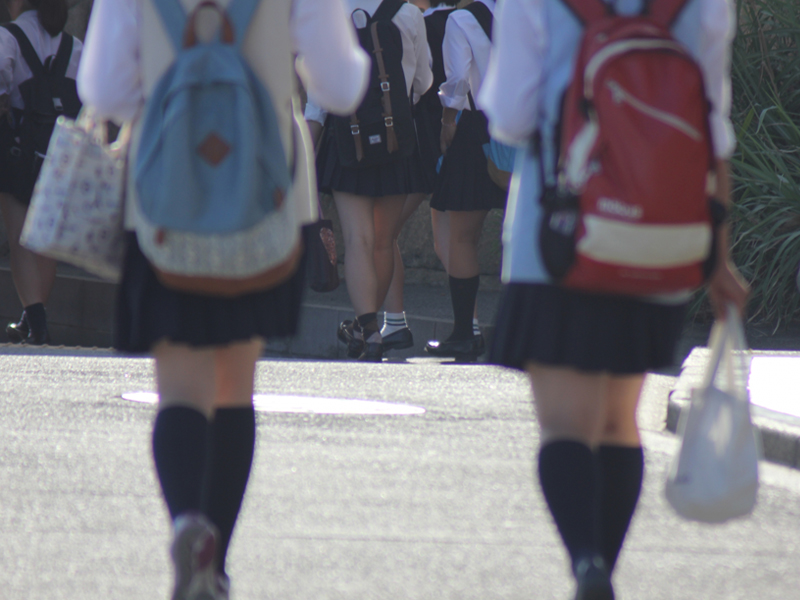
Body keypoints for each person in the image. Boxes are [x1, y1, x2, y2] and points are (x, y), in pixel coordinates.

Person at [77, 0, 369, 598]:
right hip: (264, 198)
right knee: (235, 386)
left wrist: (169, 106)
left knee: (180, 388)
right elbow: (340, 86)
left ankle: (187, 521)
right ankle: (218, 562)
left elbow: (104, 89)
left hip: (163, 199)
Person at [479, 0, 749, 598]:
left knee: (565, 426)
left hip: (558, 236)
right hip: (661, 237)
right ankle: (603, 567)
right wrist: (719, 258)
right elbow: (714, 129)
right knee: (617, 421)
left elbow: (511, 117)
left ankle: (586, 563)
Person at [306, 0, 433, 362]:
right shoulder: (409, 14)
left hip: (349, 140)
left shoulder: (332, 12)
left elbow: (318, 96)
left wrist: (307, 150)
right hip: (397, 143)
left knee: (359, 239)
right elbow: (424, 82)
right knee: (383, 240)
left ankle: (369, 330)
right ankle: (369, 329)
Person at [373, 0, 459, 352]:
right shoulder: (467, 19)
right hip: (455, 140)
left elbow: (423, 83)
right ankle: (464, 324)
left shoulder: (421, 21)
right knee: (449, 241)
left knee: (383, 231)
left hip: (420, 140)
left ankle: (393, 321)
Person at [424, 0, 506, 361]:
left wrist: (447, 121)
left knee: (462, 235)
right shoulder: (538, 12)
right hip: (528, 128)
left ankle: (464, 334)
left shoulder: (462, 18)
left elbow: (457, 79)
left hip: (477, 130)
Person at [0, 0, 82, 344]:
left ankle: (37, 324)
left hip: (19, 148)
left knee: (20, 239)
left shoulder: (9, 36)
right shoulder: (73, 45)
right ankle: (32, 318)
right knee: (45, 240)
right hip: (61, 150)